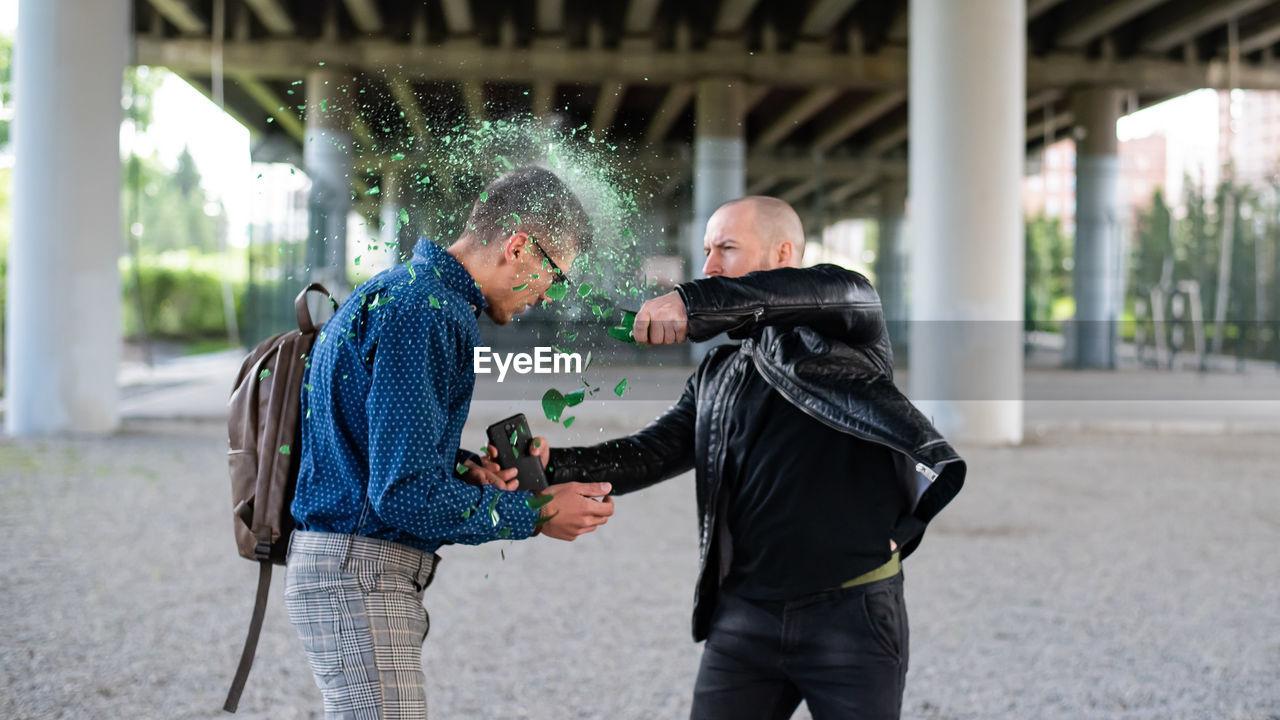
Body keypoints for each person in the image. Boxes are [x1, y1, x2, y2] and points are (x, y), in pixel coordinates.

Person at [546, 196, 966, 719]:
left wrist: (692, 303)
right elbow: (649, 454)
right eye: (706, 251)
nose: (710, 266)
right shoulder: (719, 372)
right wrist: (548, 464)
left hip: (851, 618)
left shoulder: (849, 322)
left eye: (726, 247)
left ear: (783, 253)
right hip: (743, 621)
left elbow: (819, 290)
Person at [285, 166, 615, 719]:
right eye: (555, 275)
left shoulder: (408, 293)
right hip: (360, 574)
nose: (549, 294)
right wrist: (535, 511)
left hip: (352, 566)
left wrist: (465, 469)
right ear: (518, 247)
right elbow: (403, 493)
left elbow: (375, 445)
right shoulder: (425, 313)